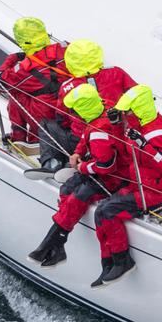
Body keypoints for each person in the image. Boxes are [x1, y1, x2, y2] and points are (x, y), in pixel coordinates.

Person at [28, 84, 130, 267]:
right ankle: (57, 245)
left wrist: (83, 167)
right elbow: (86, 136)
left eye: (74, 110)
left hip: (114, 178)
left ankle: (50, 244)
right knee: (66, 189)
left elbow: (106, 166)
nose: (72, 114)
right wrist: (77, 153)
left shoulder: (100, 133)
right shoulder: (102, 107)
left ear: (82, 110)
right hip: (101, 170)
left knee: (77, 198)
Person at [90, 85, 162, 286]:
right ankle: (108, 264)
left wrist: (145, 146)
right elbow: (126, 153)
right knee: (101, 210)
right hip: (142, 185)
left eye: (126, 111)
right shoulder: (137, 128)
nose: (124, 114)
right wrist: (116, 126)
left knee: (107, 211)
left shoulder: (156, 133)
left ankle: (122, 261)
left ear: (138, 110)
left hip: (160, 191)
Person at [0, 17, 69, 170]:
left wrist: (12, 58)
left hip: (46, 119)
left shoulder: (23, 69)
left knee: (16, 92)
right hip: (72, 113)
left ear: (23, 41)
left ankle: (21, 137)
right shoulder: (65, 49)